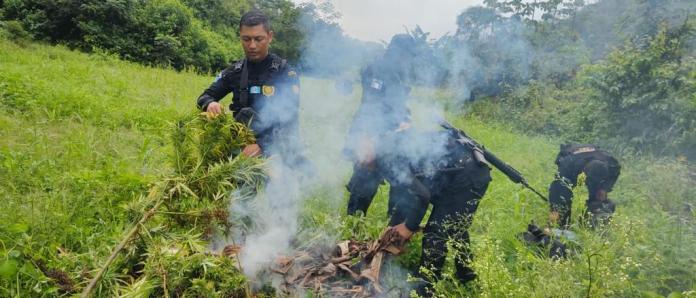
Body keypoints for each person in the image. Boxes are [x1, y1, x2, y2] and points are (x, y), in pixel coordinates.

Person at [380, 126, 492, 296]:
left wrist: (409, 227)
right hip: (467, 172)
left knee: (436, 231)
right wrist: (392, 229)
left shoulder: (391, 160)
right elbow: (408, 198)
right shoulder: (396, 148)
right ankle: (466, 274)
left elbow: (423, 195)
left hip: (467, 175)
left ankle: (425, 286)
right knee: (454, 224)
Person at [196, 10, 302, 163]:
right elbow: (203, 97)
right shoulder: (234, 71)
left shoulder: (286, 73)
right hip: (242, 147)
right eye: (246, 39)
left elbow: (289, 121)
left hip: (276, 148)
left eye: (259, 39)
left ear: (270, 37)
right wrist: (210, 104)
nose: (252, 45)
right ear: (240, 37)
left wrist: (262, 146)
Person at [343, 34, 418, 216]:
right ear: (396, 51)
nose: (407, 60)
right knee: (365, 181)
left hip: (391, 135)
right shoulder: (376, 68)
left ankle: (390, 229)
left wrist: (405, 119)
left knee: (400, 180)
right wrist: (367, 140)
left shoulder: (399, 73)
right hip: (370, 133)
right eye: (406, 55)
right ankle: (353, 226)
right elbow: (372, 104)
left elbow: (398, 104)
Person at [548, 143, 621, 228]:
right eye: (590, 181)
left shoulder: (610, 162)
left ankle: (590, 224)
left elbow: (616, 171)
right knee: (562, 196)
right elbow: (556, 190)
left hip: (590, 159)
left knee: (599, 196)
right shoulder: (568, 165)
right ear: (583, 173)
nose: (592, 184)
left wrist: (604, 188)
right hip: (572, 158)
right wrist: (556, 209)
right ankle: (562, 226)